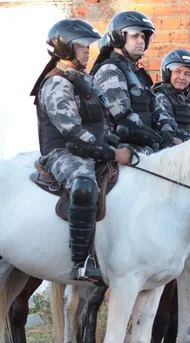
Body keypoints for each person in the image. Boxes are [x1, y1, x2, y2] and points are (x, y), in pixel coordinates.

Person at [30, 19, 132, 282]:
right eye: (82, 46)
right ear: (65, 48)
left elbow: (99, 124)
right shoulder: (56, 83)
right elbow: (73, 133)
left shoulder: (82, 78)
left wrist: (118, 143)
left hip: (90, 148)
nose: (88, 51)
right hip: (63, 153)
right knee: (84, 184)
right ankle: (81, 262)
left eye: (90, 46)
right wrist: (111, 153)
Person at [91, 11, 176, 153]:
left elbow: (155, 108)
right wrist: (155, 138)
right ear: (119, 37)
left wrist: (167, 129)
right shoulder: (110, 70)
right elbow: (123, 117)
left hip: (146, 145)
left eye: (143, 37)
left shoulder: (136, 72)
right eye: (135, 36)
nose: (141, 41)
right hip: (122, 148)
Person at [154, 49, 190, 141]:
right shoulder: (161, 97)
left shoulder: (185, 100)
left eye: (187, 74)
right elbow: (169, 130)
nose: (182, 77)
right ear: (168, 73)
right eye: (177, 71)